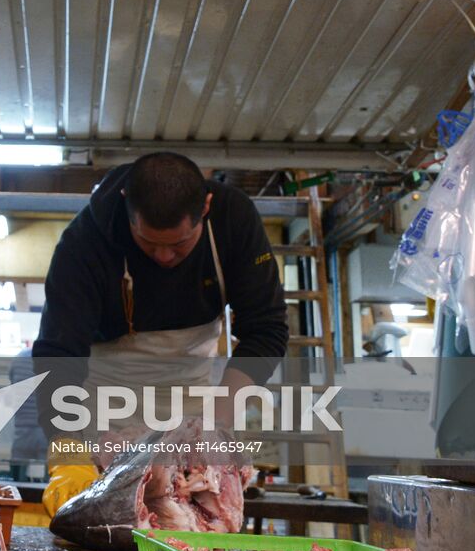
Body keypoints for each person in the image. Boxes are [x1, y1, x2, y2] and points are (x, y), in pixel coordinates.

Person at [32, 152, 289, 517]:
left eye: (179, 244)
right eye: (148, 243)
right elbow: (59, 353)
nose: (164, 256)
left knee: (188, 520)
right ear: (127, 207)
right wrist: (67, 454)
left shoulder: (233, 220)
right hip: (102, 409)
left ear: (206, 207)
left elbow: (266, 329)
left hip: (191, 401)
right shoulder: (83, 243)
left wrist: (212, 426)